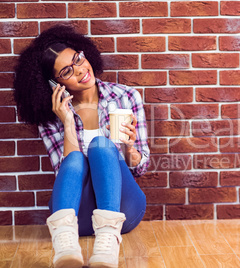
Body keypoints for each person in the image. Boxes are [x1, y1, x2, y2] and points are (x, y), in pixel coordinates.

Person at [13, 25, 149, 268]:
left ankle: (108, 243)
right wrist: (66, 122)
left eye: (78, 59)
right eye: (67, 70)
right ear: (54, 84)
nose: (80, 70)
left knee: (101, 146)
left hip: (123, 209)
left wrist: (129, 149)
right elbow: (65, 174)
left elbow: (140, 168)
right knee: (74, 159)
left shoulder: (125, 97)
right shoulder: (51, 117)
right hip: (77, 215)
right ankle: (65, 246)